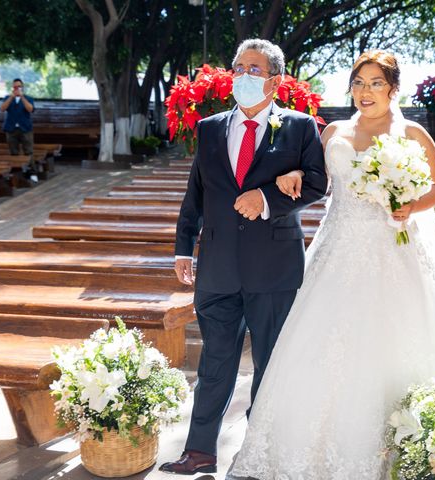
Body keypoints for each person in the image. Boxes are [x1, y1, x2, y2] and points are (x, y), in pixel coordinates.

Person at [229, 50, 435, 480]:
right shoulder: (333, 130)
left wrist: (410, 204)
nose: (365, 92)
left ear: (392, 89)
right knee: (321, 343)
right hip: (338, 249)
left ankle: (411, 445)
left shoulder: (412, 133)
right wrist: (290, 176)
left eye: (375, 84)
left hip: (394, 249)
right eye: (358, 83)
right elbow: (314, 178)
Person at [159, 39, 328, 475]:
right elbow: (196, 191)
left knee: (271, 364)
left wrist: (267, 198)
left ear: (274, 80)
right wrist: (184, 246)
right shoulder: (211, 127)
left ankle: (260, 450)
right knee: (214, 364)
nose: (242, 75)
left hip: (273, 268)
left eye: (253, 68)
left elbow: (316, 184)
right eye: (238, 67)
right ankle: (199, 451)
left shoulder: (300, 127)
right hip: (216, 266)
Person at [0, 78, 35, 155]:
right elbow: (2, 108)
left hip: (25, 128)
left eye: (19, 87)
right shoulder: (7, 98)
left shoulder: (28, 98)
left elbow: (30, 109)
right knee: (13, 152)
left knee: (28, 151)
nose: (17, 89)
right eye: (15, 87)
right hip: (11, 128)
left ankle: (31, 166)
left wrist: (22, 97)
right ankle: (15, 166)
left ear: (22, 87)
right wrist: (11, 97)